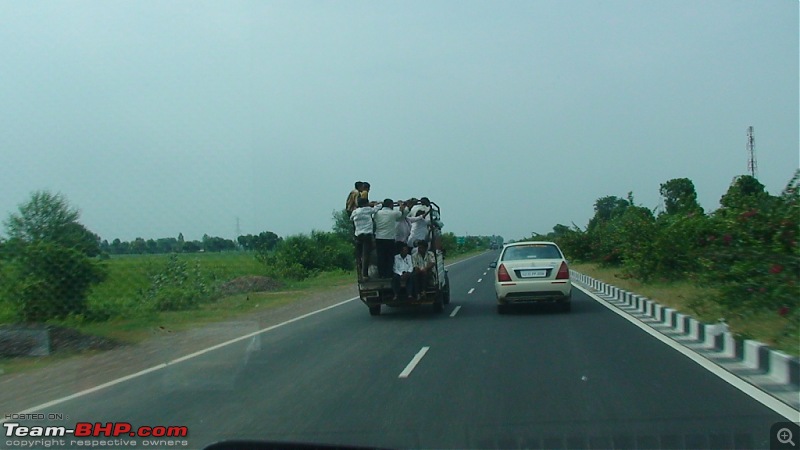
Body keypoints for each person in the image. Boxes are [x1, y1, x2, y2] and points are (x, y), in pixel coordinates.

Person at [373, 199, 407, 278]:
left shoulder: (377, 213)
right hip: (389, 238)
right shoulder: (393, 213)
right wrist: (401, 205)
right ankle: (389, 274)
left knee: (381, 257)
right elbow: (401, 213)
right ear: (391, 205)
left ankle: (381, 274)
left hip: (379, 238)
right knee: (390, 257)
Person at [350, 197, 377, 279]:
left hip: (358, 235)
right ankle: (365, 274)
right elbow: (377, 209)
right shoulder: (367, 209)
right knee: (366, 255)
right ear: (366, 203)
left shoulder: (355, 212)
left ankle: (360, 271)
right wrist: (374, 204)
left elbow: (351, 218)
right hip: (367, 235)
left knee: (359, 255)